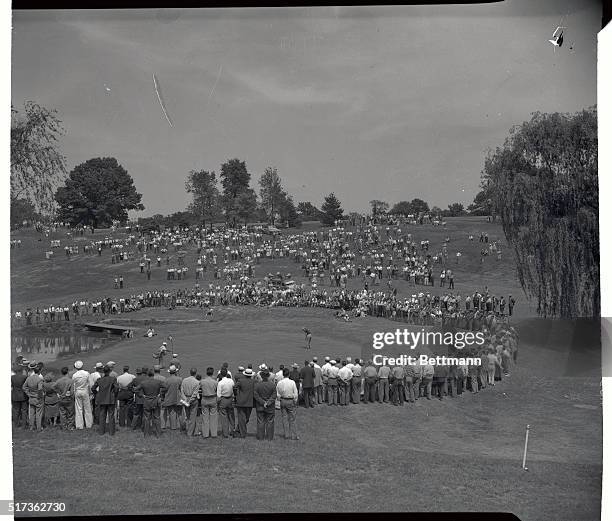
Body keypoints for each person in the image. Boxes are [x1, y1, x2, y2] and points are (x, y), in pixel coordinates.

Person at [135, 369, 164, 437]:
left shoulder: (143, 382)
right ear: (153, 375)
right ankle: (158, 434)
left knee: (147, 418)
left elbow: (135, 389)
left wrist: (141, 395)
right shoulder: (158, 382)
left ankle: (146, 434)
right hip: (155, 401)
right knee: (156, 418)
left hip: (147, 401)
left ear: (148, 375)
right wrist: (160, 394)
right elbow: (166, 387)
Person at [91, 365, 118, 435]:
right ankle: (111, 432)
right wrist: (114, 394)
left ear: (103, 371)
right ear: (109, 371)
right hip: (110, 399)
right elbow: (116, 389)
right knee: (111, 416)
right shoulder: (113, 379)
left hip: (102, 399)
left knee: (102, 415)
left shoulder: (99, 380)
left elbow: (93, 388)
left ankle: (101, 431)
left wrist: (97, 394)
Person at [276, 367, 299, 440]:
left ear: (283, 374)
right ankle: (294, 435)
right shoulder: (292, 382)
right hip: (290, 400)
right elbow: (295, 393)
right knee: (292, 418)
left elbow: (277, 393)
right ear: (289, 374)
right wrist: (295, 401)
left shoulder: (279, 383)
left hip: (283, 400)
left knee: (284, 418)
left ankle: (286, 435)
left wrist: (280, 399)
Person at [254, 369, 276, 440]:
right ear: (269, 376)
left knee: (260, 421)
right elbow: (274, 395)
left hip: (260, 406)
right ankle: (269, 438)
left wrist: (263, 402)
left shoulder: (257, 385)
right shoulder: (272, 385)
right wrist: (267, 403)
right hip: (270, 407)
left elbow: (256, 395)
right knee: (270, 421)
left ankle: (260, 437)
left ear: (261, 376)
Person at [234, 368, 255, 438]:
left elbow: (234, 387)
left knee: (243, 418)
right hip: (249, 402)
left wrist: (236, 395)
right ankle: (242, 434)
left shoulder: (240, 381)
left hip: (241, 402)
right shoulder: (254, 381)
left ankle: (238, 430)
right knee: (246, 418)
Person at [72, 360, 93, 429]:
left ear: (76, 367)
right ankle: (89, 424)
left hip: (78, 391)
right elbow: (91, 384)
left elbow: (73, 385)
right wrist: (91, 392)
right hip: (85, 391)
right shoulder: (86, 373)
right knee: (87, 408)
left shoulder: (74, 375)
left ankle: (79, 425)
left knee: (78, 409)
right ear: (82, 366)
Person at [22, 362, 43, 431]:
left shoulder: (28, 378)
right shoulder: (39, 379)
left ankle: (31, 427)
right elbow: (40, 389)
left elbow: (24, 387)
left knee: (31, 413)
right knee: (38, 414)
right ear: (39, 371)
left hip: (31, 398)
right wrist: (40, 396)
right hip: (37, 398)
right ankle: (38, 428)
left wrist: (28, 394)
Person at [180, 368, 201, 437]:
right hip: (193, 400)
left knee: (187, 416)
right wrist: (190, 400)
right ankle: (190, 432)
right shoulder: (197, 382)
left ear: (190, 372)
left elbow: (182, 390)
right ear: (195, 373)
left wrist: (185, 398)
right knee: (193, 416)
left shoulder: (184, 380)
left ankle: (188, 430)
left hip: (186, 398)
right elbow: (195, 393)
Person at [200, 367, 218, 438]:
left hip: (204, 399)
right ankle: (213, 434)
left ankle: (205, 434)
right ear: (212, 373)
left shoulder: (202, 381)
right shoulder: (215, 382)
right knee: (213, 417)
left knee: (205, 417)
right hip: (213, 399)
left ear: (206, 373)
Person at [216, 368, 235, 438]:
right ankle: (232, 430)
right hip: (230, 399)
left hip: (223, 399)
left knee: (224, 417)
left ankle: (225, 433)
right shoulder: (231, 381)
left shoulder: (220, 383)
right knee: (231, 416)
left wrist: (217, 404)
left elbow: (218, 395)